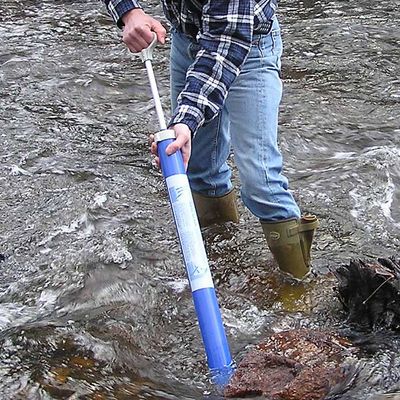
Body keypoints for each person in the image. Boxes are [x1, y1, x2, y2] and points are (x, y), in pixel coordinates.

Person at [101, 0, 319, 279]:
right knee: (201, 173)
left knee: (262, 182)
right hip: (186, 38)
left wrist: (186, 119)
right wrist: (129, 12)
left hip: (247, 44)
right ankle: (223, 265)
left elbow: (223, 49)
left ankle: (299, 286)